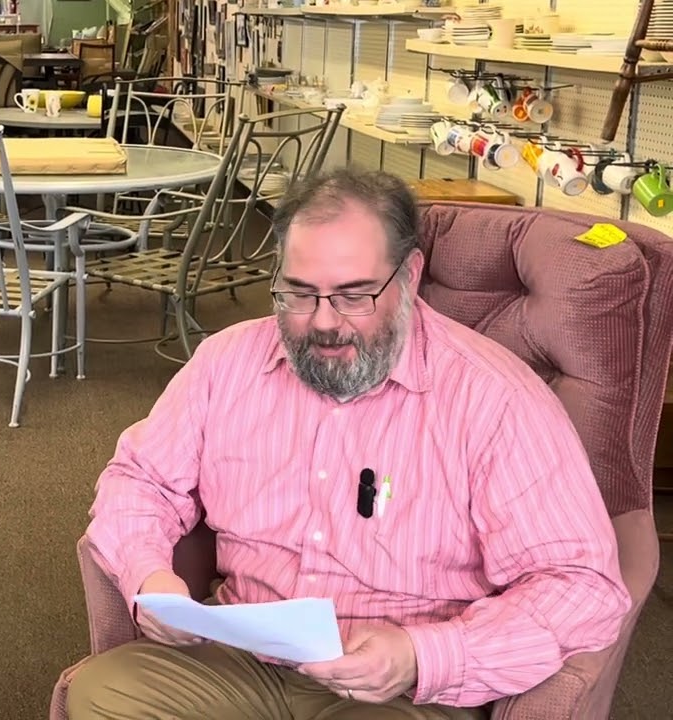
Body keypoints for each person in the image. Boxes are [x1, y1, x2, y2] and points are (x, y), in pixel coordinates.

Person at [66, 169, 630, 720]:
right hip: (241, 657)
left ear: (409, 275)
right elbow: (140, 479)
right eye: (299, 292)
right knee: (101, 694)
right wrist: (148, 576)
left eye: (354, 295)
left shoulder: (494, 398)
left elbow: (579, 586)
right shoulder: (226, 362)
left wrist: (422, 656)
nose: (323, 323)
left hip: (403, 688)